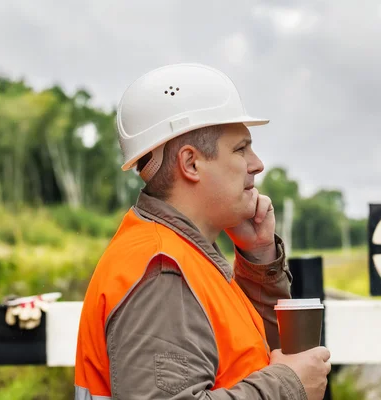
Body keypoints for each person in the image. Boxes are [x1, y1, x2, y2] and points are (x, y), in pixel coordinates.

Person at [74, 63, 331, 400]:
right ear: (191, 163)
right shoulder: (163, 270)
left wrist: (258, 259)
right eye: (240, 149)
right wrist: (287, 388)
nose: (257, 164)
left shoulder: (182, 254)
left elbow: (254, 359)